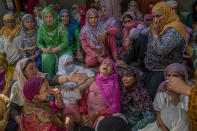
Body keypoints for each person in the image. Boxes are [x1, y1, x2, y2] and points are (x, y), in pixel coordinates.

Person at [116, 2, 187, 99]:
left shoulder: (175, 29)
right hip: (151, 67)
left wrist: (155, 34)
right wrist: (129, 38)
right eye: (153, 16)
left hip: (163, 69)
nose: (155, 19)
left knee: (148, 96)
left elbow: (162, 50)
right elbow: (142, 31)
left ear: (167, 13)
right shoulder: (159, 25)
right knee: (140, 39)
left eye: (158, 16)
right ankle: (130, 62)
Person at [9, 58, 88, 128]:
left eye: (35, 67)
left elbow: (52, 81)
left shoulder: (40, 79)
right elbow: (13, 108)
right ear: (23, 72)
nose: (35, 70)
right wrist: (22, 123)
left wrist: (68, 78)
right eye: (31, 68)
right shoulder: (17, 87)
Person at [80, 58, 121, 128]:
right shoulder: (92, 80)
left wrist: (98, 114)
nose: (106, 65)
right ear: (99, 67)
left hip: (101, 117)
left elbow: (115, 108)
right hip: (87, 114)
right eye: (104, 63)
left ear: (112, 71)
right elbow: (83, 98)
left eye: (110, 65)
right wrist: (83, 115)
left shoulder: (114, 85)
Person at [56, 54, 95, 125]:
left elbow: (91, 76)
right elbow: (67, 93)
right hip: (68, 101)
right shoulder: (60, 76)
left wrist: (81, 84)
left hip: (81, 98)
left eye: (71, 62)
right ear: (62, 65)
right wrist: (83, 84)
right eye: (67, 63)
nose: (70, 65)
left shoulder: (78, 69)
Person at [37, 7, 73, 75]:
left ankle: (65, 79)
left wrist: (54, 50)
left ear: (53, 16)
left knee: (67, 58)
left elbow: (65, 42)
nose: (48, 19)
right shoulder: (41, 29)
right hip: (49, 50)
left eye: (50, 16)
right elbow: (39, 42)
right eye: (46, 17)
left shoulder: (60, 26)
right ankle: (50, 79)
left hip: (62, 50)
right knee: (45, 58)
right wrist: (43, 49)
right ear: (43, 18)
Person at [121, 66, 155, 131]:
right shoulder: (124, 91)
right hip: (125, 124)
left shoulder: (141, 94)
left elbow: (150, 117)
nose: (124, 79)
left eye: (128, 76)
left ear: (135, 77)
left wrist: (133, 129)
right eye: (122, 76)